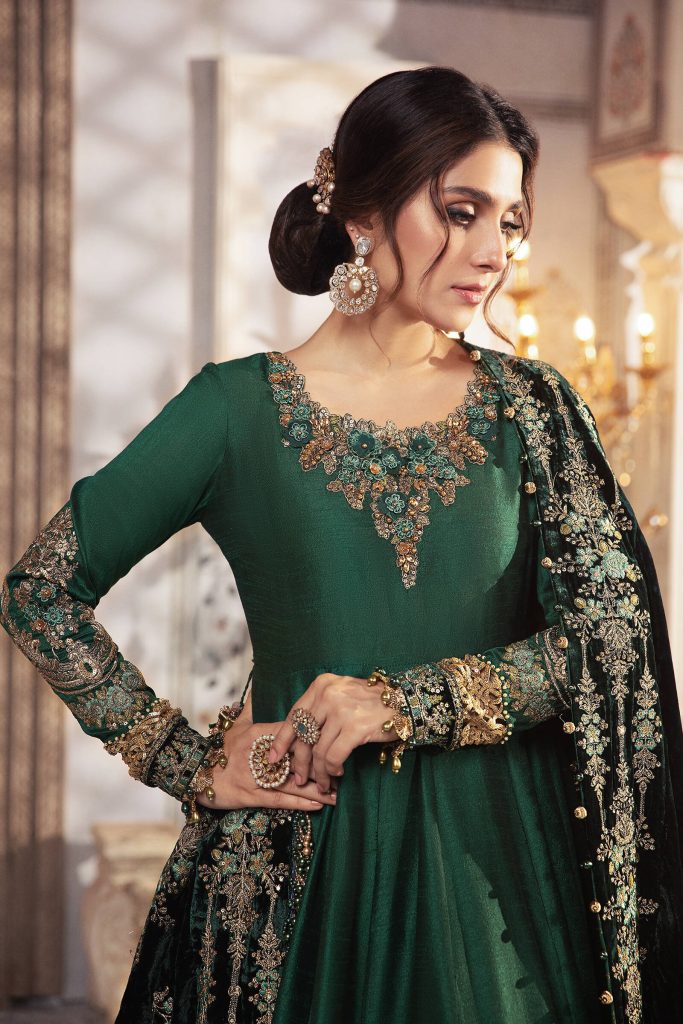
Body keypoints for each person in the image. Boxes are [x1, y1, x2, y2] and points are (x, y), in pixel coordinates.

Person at [1, 65, 681, 1024]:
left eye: (509, 221)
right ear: (363, 214)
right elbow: (39, 590)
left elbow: (610, 644)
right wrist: (184, 760)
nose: (491, 251)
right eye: (459, 212)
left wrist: (401, 702)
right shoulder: (234, 409)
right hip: (299, 871)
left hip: (504, 876)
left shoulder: (535, 410)